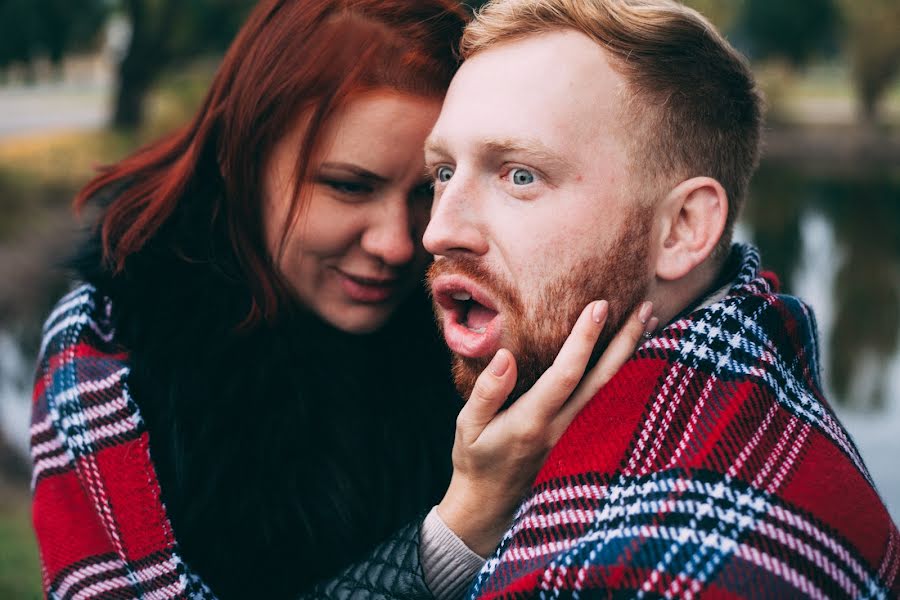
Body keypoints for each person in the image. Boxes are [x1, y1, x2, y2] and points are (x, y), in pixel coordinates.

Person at [29, 1, 652, 599]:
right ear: (241, 155)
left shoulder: (504, 314)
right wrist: (458, 531)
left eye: (431, 184)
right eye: (350, 186)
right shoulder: (109, 357)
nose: (403, 244)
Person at [423, 0, 900, 597]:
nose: (439, 230)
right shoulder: (757, 373)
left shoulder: (647, 573)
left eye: (520, 175)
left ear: (681, 229)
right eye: (443, 172)